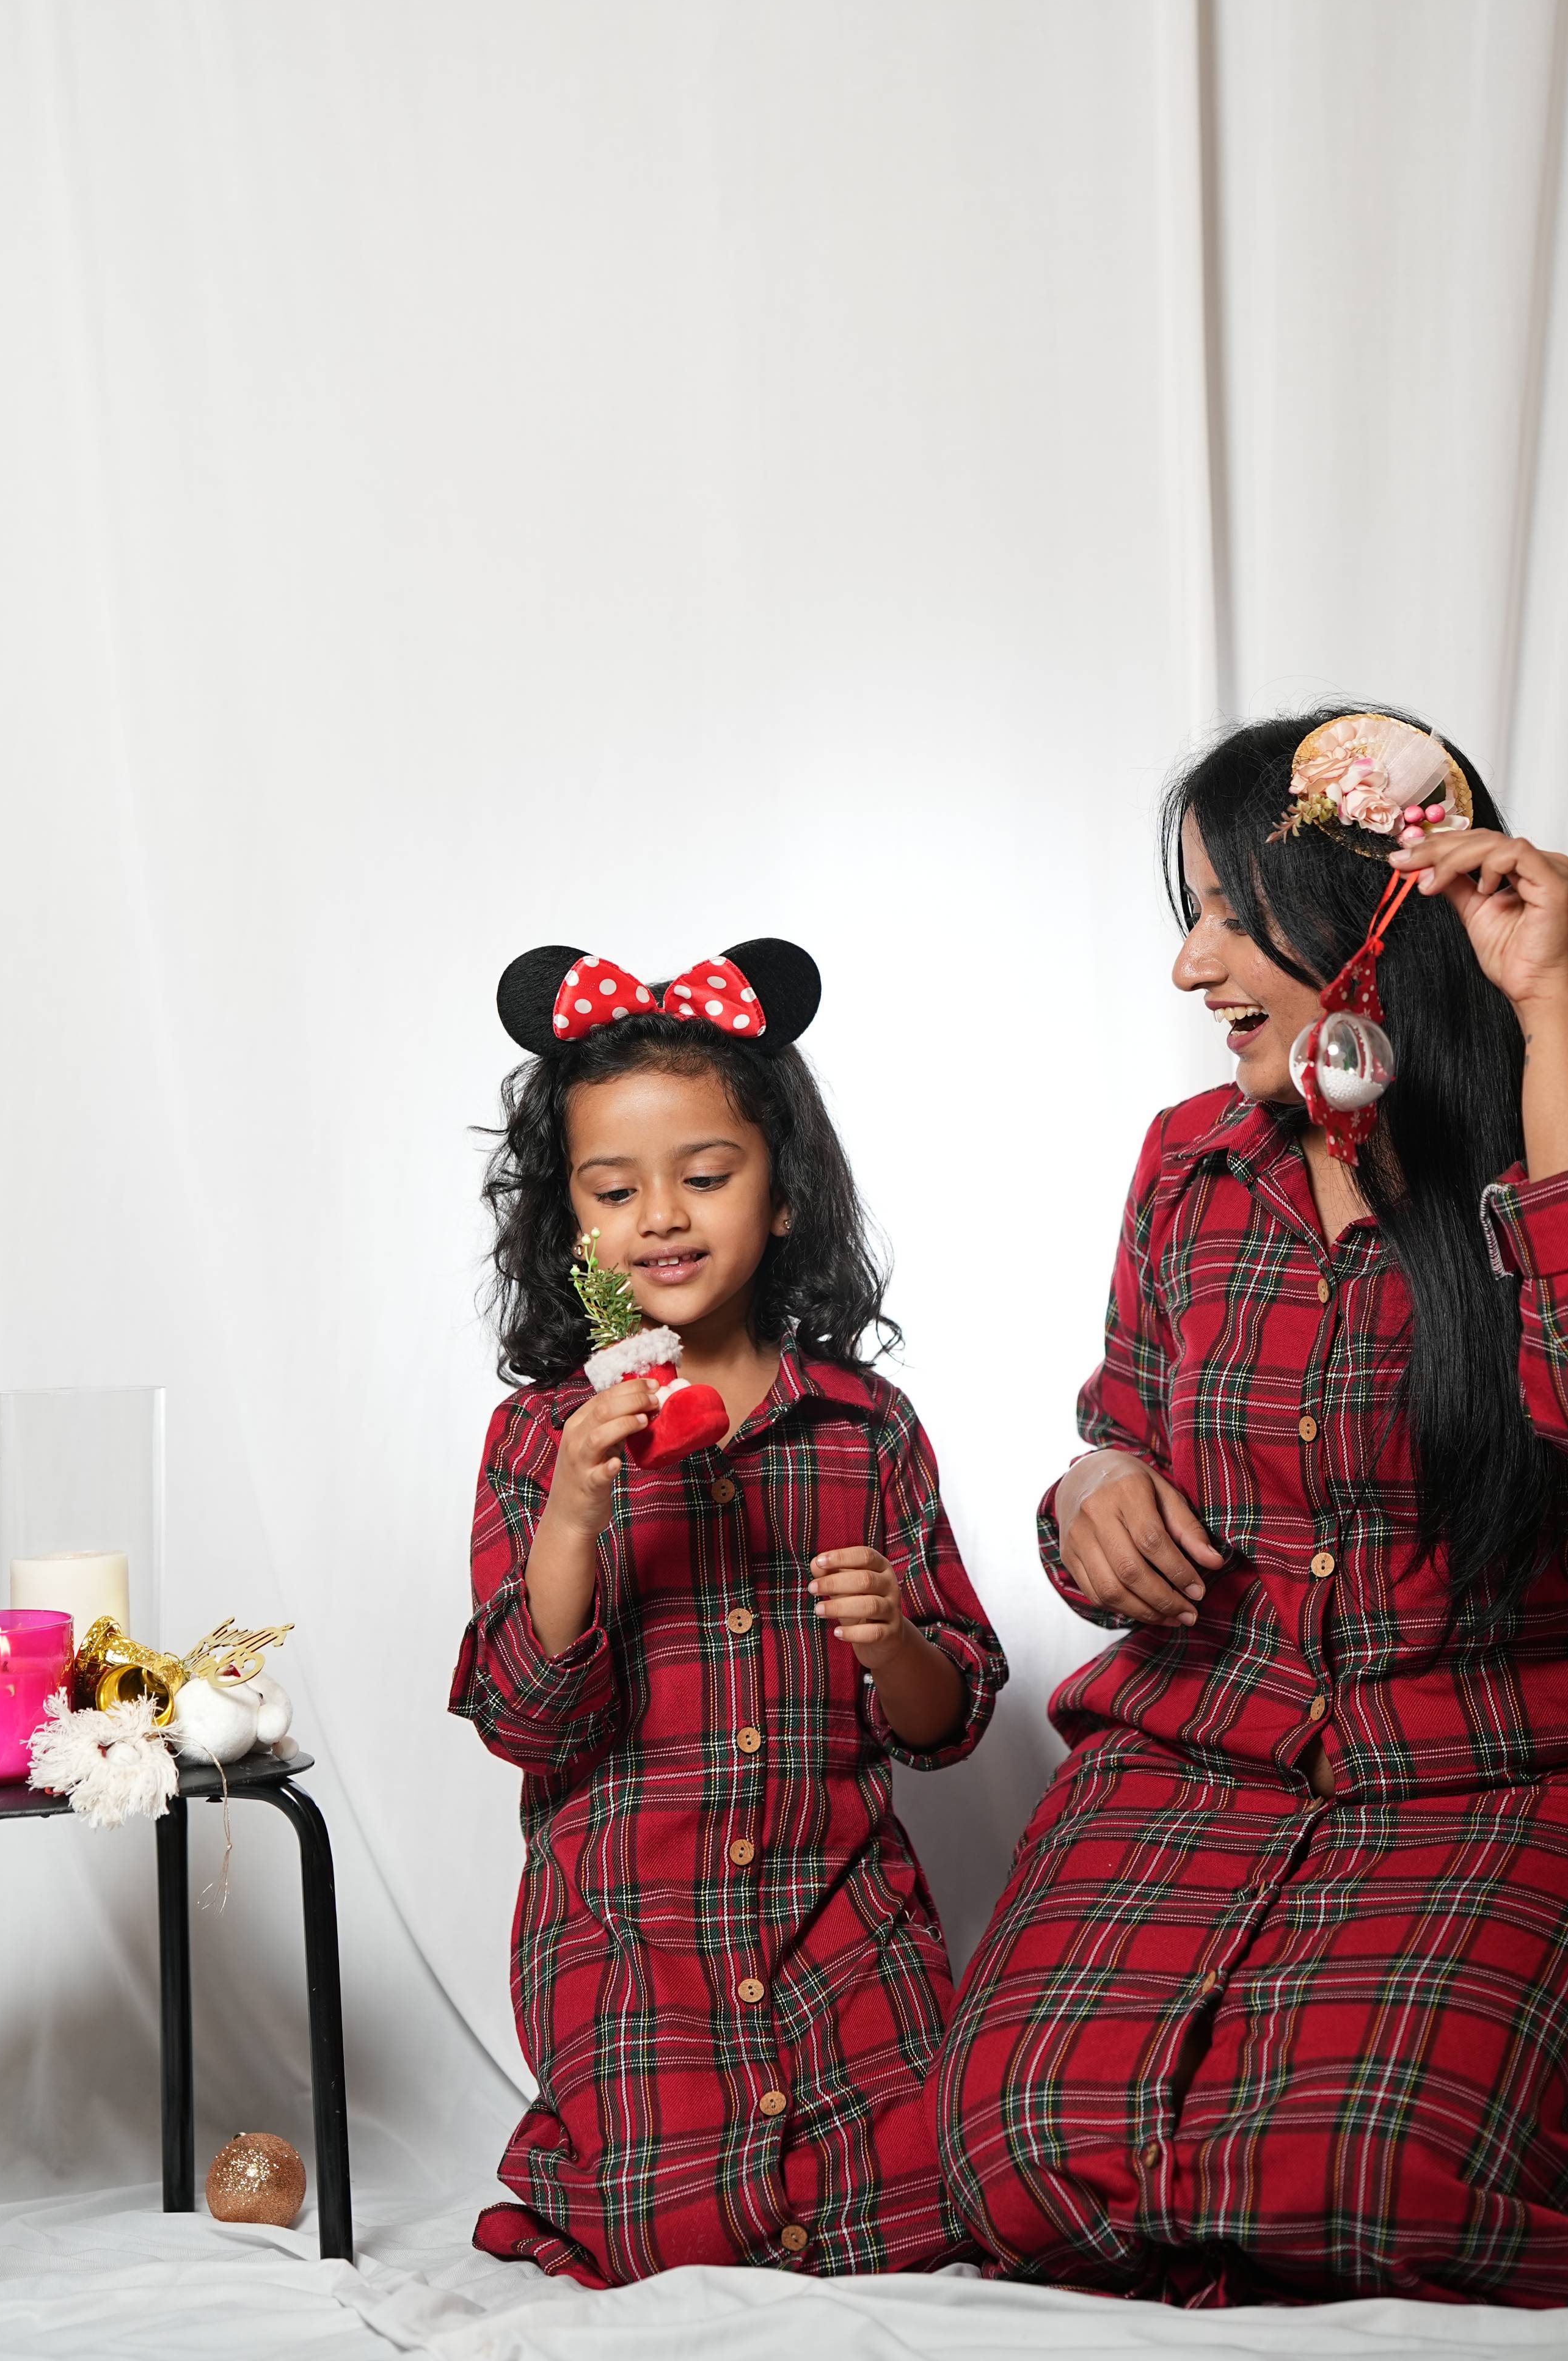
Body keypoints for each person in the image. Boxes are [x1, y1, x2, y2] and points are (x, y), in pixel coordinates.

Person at [935, 708, 1568, 2305]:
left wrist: (1539, 1003)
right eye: (1183, 913)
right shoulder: (1190, 1166)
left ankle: (1563, 2140)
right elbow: (1118, 1425)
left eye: (1227, 911)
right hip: (1208, 1765)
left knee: (1378, 2163)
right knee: (1018, 2163)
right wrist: (1097, 1490)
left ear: (1375, 917)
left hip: (1536, 1769)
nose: (1190, 967)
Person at [451, 936, 1005, 2287]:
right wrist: (579, 1504)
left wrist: (891, 1641)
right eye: (614, 1186)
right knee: (675, 2243)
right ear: (567, 1220)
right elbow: (526, 1718)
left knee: (949, 2207)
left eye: (706, 1175)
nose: (663, 1214)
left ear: (784, 1192)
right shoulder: (539, 1436)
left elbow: (946, 1724)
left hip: (844, 1931)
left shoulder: (863, 1430)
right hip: (637, 1947)